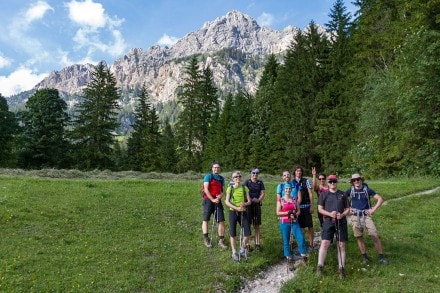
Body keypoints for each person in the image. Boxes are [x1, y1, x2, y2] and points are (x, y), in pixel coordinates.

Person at [346, 173, 388, 265]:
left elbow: (380, 199)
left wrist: (373, 210)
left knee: (374, 235)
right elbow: (342, 199)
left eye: (358, 179)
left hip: (366, 216)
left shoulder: (367, 189)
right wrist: (348, 209)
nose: (356, 181)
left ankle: (381, 257)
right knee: (359, 237)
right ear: (352, 182)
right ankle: (365, 257)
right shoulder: (350, 190)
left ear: (361, 180)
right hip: (354, 216)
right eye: (354, 180)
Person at [317, 174, 350, 279]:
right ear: (327, 182)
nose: (332, 183)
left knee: (341, 245)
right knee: (325, 243)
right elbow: (320, 209)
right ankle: (320, 267)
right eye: (330, 181)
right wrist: (329, 214)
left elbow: (348, 209)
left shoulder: (343, 194)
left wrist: (343, 214)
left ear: (337, 182)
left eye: (334, 181)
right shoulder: (324, 194)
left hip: (341, 222)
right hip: (328, 221)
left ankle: (341, 268)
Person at [276, 183, 307, 271]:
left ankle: (304, 257)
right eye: (286, 189)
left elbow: (298, 211)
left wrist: (295, 215)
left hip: (294, 222)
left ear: (291, 190)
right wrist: (288, 213)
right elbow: (278, 212)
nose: (288, 190)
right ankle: (289, 259)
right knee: (286, 241)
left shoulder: (294, 200)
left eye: (289, 189)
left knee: (301, 238)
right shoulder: (281, 200)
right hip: (284, 222)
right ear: (283, 190)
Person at [225, 171, 252, 261]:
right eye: (236, 177)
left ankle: (242, 249)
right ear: (233, 179)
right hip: (233, 212)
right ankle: (234, 252)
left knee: (247, 233)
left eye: (239, 176)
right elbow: (227, 202)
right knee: (233, 233)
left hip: (243, 212)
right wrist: (236, 208)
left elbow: (249, 201)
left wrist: (244, 204)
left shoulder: (245, 188)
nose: (238, 178)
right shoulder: (230, 188)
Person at [201, 162, 227, 249]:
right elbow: (205, 188)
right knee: (206, 219)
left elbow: (223, 191)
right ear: (212, 168)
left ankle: (221, 240)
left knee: (221, 220)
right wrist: (212, 199)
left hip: (217, 200)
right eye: (215, 167)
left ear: (220, 169)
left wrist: (220, 196)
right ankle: (206, 238)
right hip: (208, 200)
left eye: (218, 168)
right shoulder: (208, 176)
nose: (216, 169)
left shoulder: (221, 178)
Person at [293, 165, 315, 250]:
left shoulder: (306, 181)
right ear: (294, 172)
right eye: (297, 171)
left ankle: (311, 244)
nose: (299, 172)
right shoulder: (292, 182)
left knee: (310, 226)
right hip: (297, 207)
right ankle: (302, 245)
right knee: (301, 227)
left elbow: (310, 193)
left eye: (300, 171)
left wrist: (312, 206)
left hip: (306, 206)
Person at [243, 167, 265, 251]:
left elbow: (262, 193)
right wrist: (249, 199)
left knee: (256, 225)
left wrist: (259, 199)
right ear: (250, 174)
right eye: (253, 173)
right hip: (248, 205)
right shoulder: (247, 182)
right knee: (247, 225)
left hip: (256, 205)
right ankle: (247, 244)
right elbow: (244, 192)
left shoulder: (260, 182)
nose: (255, 175)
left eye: (256, 173)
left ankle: (257, 244)